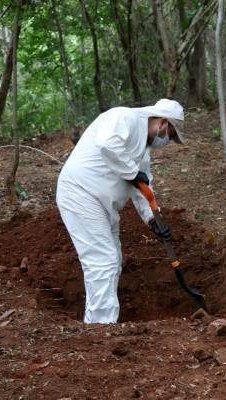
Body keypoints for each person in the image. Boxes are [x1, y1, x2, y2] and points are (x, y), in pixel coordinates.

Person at [56, 99, 185, 324]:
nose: (167, 141)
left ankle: (99, 322)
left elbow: (142, 188)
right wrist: (133, 173)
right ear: (163, 122)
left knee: (113, 259)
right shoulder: (124, 117)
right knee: (102, 260)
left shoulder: (143, 152)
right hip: (80, 193)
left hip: (102, 204)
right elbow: (108, 144)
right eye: (170, 135)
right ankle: (101, 328)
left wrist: (153, 220)